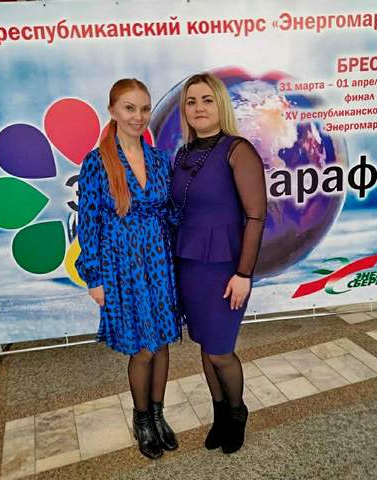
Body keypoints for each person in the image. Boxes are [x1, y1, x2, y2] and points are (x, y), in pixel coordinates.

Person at [76, 78, 181, 460]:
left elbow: (171, 213)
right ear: (113, 111)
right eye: (129, 108)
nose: (138, 116)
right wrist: (94, 276)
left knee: (162, 342)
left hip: (160, 262)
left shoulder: (159, 160)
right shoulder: (96, 162)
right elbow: (88, 223)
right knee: (142, 348)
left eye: (144, 108)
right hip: (122, 267)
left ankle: (159, 414)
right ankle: (142, 419)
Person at [171, 73, 267, 454]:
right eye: (191, 101)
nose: (199, 108)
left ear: (220, 104)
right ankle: (220, 415)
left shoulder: (238, 150)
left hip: (226, 268)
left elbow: (256, 216)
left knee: (220, 350)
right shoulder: (183, 155)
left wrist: (244, 274)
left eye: (207, 100)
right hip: (190, 265)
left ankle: (237, 412)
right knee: (205, 344)